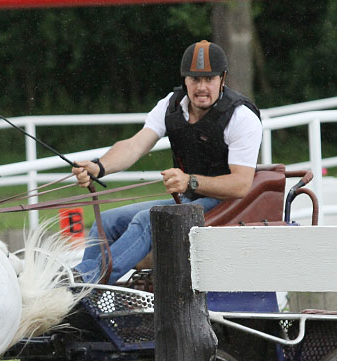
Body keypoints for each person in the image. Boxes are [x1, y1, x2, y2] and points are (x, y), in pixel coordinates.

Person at [71, 39, 262, 284]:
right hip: (190, 199)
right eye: (194, 79)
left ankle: (85, 282)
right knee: (106, 222)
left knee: (148, 220)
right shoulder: (171, 105)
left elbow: (240, 185)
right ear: (185, 79)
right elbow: (134, 145)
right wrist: (98, 167)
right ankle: (85, 287)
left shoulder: (241, 117)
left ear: (222, 79)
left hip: (229, 205)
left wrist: (189, 181)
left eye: (209, 79)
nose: (201, 87)